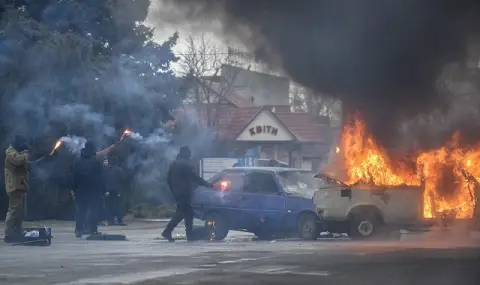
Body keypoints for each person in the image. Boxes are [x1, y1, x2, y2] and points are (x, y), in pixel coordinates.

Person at [162, 146, 213, 242]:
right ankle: (167, 231)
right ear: (186, 154)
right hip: (184, 192)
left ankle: (189, 234)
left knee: (189, 213)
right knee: (181, 212)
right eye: (189, 153)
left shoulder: (174, 164)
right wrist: (207, 185)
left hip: (177, 192)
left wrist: (173, 190)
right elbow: (195, 177)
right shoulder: (186, 164)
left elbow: (168, 179)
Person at [72, 140, 105, 238]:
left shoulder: (77, 161)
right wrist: (103, 190)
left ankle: (78, 229)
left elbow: (74, 176)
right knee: (94, 210)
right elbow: (101, 177)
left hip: (81, 189)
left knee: (81, 210)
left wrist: (73, 189)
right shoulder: (96, 162)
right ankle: (93, 230)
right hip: (94, 190)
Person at [4, 135, 29, 243]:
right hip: (14, 186)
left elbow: (26, 165)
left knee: (20, 211)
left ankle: (18, 230)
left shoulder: (18, 153)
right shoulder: (10, 153)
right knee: (13, 210)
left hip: (20, 185)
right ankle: (8, 233)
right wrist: (25, 154)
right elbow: (19, 161)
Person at [104, 157, 126, 226]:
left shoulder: (105, 170)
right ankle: (119, 220)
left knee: (109, 206)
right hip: (117, 190)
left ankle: (110, 221)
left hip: (108, 190)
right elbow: (123, 180)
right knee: (118, 205)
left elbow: (103, 179)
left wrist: (105, 190)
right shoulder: (119, 169)